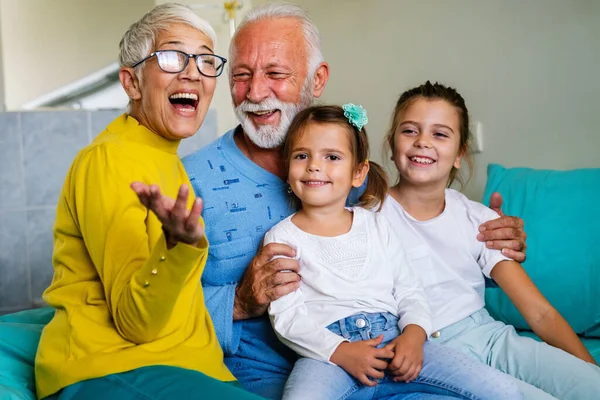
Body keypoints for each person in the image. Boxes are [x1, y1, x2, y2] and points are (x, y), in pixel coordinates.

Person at [182, 3, 527, 398]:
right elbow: (145, 313)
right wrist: (238, 302)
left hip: (393, 351)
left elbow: (411, 265)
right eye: (241, 75)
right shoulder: (188, 182)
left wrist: (484, 236)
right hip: (287, 371)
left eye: (275, 73)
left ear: (317, 79)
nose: (256, 92)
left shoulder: (363, 192)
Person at [34, 4, 261, 399]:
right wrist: (178, 247)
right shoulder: (108, 159)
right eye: (172, 56)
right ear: (132, 83)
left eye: (206, 60)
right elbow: (135, 322)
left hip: (183, 367)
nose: (192, 71)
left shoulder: (168, 161)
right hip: (113, 367)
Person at [265, 104, 522, 400]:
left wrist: (414, 334)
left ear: (358, 173)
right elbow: (287, 316)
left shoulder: (377, 225)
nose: (314, 166)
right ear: (287, 169)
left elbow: (410, 290)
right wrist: (340, 352)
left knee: (501, 389)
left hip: (395, 338)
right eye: (301, 156)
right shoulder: (282, 237)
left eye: (332, 157)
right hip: (328, 354)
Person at [380, 81, 600, 400]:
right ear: (391, 143)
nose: (423, 142)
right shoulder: (365, 215)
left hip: (489, 337)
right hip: (429, 353)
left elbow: (540, 313)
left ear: (459, 154)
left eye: (440, 134)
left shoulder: (477, 218)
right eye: (410, 131)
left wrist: (589, 370)